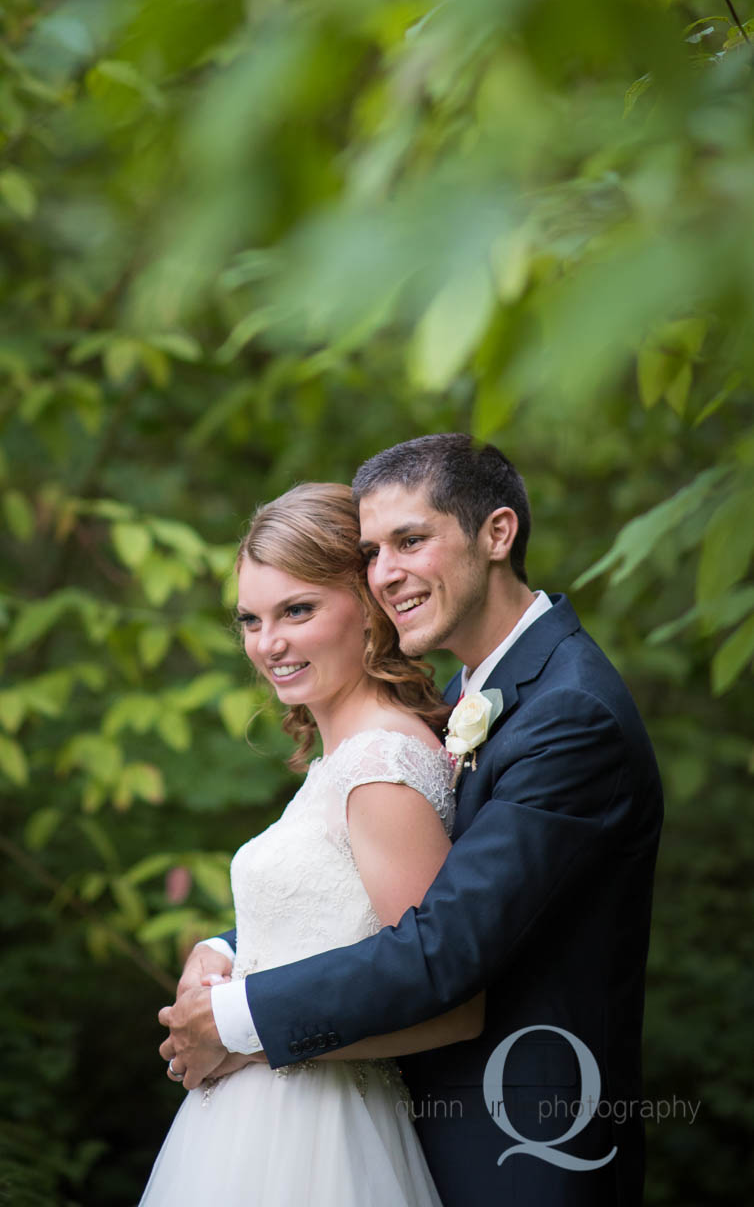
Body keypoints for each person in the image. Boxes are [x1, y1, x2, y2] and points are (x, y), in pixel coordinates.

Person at [161, 435, 664, 1207]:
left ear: (497, 534)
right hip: (417, 1124)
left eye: (411, 540)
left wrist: (238, 1018)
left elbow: (444, 946)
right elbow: (378, 889)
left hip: (523, 1144)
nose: (386, 572)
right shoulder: (477, 692)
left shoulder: (570, 714)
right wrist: (231, 950)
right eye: (370, 551)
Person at [139, 481, 485, 1207]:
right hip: (254, 1127)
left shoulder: (381, 765)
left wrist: (242, 1031)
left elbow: (444, 998)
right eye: (251, 619)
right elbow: (332, 919)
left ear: (366, 608)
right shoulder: (344, 758)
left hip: (318, 1139)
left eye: (297, 610)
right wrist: (225, 951)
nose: (269, 644)